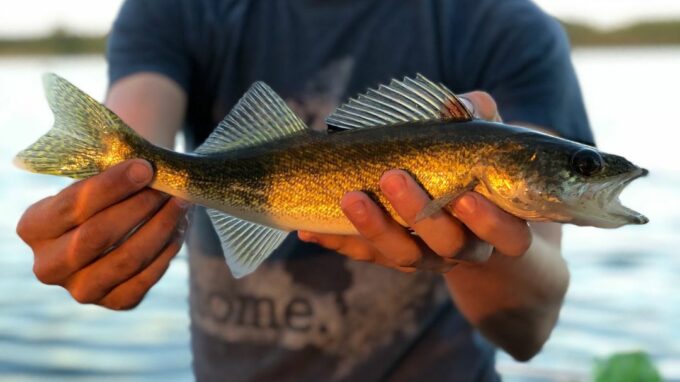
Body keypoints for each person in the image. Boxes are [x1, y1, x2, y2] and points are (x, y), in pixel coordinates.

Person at [16, 0, 595, 380]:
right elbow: (138, 132)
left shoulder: (504, 27)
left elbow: (529, 327)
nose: (584, 178)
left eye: (583, 168)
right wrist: (107, 222)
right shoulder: (177, 10)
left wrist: (473, 253)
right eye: (585, 168)